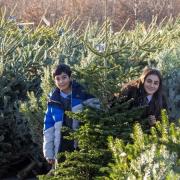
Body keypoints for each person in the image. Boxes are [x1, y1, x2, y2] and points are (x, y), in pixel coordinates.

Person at [43, 64, 99, 168]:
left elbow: (95, 114)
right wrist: (48, 152)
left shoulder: (82, 93)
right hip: (61, 146)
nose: (61, 81)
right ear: (54, 81)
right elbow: (48, 127)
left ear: (70, 77)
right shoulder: (53, 100)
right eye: (57, 79)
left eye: (64, 77)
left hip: (80, 144)